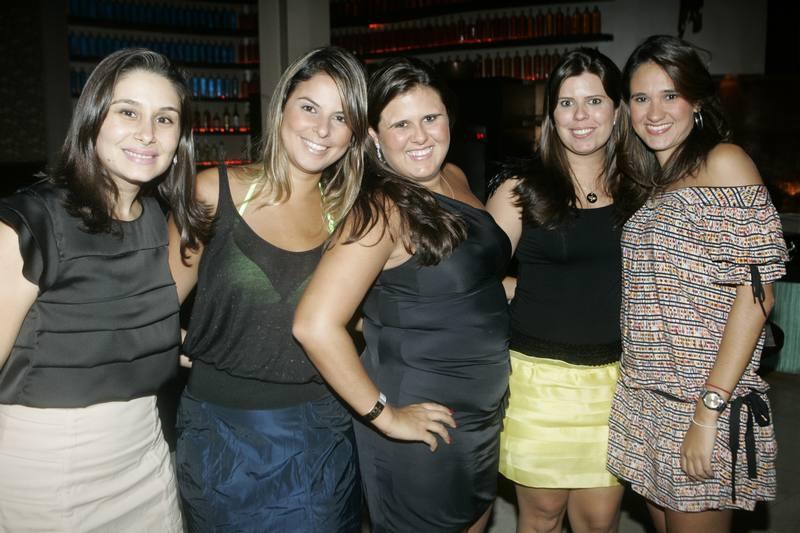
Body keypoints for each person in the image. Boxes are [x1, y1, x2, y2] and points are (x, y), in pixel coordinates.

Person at [293, 56, 511, 533]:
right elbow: (314, 325)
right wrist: (386, 417)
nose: (420, 137)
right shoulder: (382, 209)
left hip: (479, 414)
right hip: (423, 419)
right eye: (401, 124)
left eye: (431, 118)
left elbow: (457, 276)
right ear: (375, 136)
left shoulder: (454, 175)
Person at [168, 46, 367, 532]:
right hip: (220, 434)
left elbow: (364, 316)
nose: (322, 129)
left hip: (320, 431)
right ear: (281, 108)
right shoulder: (212, 192)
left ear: (355, 133)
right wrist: (178, 342)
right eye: (309, 107)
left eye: (340, 117)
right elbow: (153, 303)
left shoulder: (349, 217)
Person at [0, 48, 191, 530]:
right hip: (48, 468)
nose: (147, 133)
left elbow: (105, 321)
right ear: (92, 119)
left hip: (145, 457)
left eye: (164, 118)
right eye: (128, 112)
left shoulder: (156, 218)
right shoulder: (31, 221)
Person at [606, 35, 788, 533]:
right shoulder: (653, 182)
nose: (654, 112)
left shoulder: (724, 162)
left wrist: (708, 412)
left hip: (702, 400)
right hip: (647, 399)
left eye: (670, 95)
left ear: (698, 101)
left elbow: (757, 297)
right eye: (641, 98)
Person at [486, 48, 641, 533]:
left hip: (616, 381)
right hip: (537, 384)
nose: (580, 116)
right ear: (551, 114)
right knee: (541, 518)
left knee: (600, 522)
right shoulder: (519, 189)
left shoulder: (641, 188)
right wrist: (520, 285)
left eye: (594, 101)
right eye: (566, 103)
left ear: (617, 109)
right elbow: (470, 277)